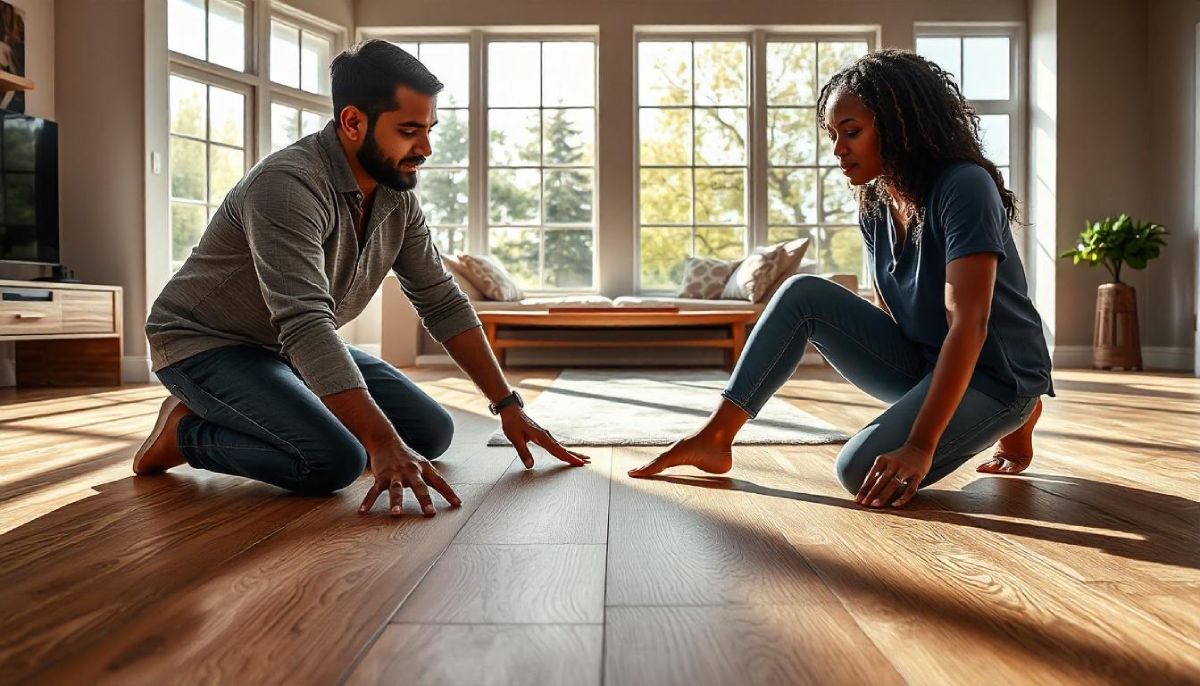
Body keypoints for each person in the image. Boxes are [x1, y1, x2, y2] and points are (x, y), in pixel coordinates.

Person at [136, 40, 589, 517]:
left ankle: (275, 402)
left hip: (286, 347)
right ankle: (185, 436)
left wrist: (508, 404)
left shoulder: (396, 196)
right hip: (206, 343)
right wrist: (381, 443)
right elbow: (306, 321)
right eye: (410, 130)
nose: (426, 148)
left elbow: (441, 302)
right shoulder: (286, 186)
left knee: (432, 433)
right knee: (333, 461)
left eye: (430, 129)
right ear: (352, 122)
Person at [629, 49, 1054, 509]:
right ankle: (716, 436)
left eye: (851, 132)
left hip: (995, 377)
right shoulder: (874, 203)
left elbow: (970, 323)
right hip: (930, 363)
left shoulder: (963, 186)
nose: (837, 149)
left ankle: (1020, 409)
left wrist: (918, 445)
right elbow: (894, 308)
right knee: (802, 293)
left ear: (901, 126)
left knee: (857, 472)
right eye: (833, 135)